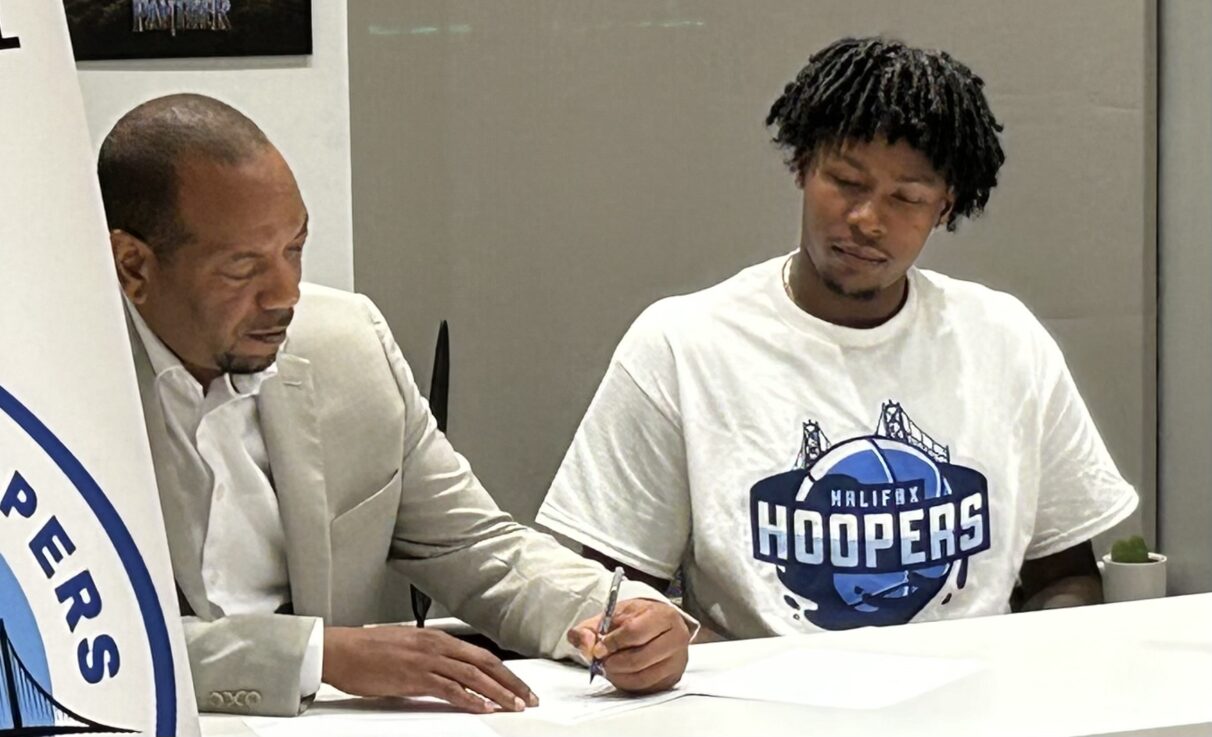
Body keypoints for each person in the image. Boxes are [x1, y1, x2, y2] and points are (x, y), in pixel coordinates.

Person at [99, 94, 693, 717]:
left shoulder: (347, 346)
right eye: (242, 267)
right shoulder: (39, 397)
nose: (286, 293)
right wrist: (319, 656)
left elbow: (477, 549)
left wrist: (616, 615)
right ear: (133, 266)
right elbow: (66, 635)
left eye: (295, 248)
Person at [537, 36, 1139, 641]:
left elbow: (1067, 575)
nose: (867, 220)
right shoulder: (681, 345)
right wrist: (697, 656)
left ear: (945, 207)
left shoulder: (1007, 341)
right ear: (802, 165)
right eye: (846, 181)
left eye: (907, 198)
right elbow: (604, 596)